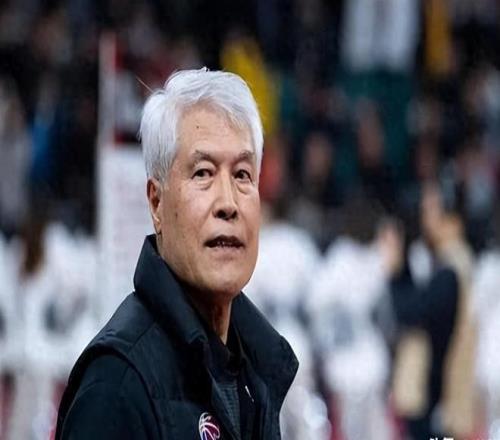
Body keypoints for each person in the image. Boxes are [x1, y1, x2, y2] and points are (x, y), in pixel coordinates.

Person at [55, 68, 299, 440]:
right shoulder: (116, 387)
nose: (228, 203)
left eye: (242, 175)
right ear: (156, 202)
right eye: (203, 173)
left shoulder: (256, 372)